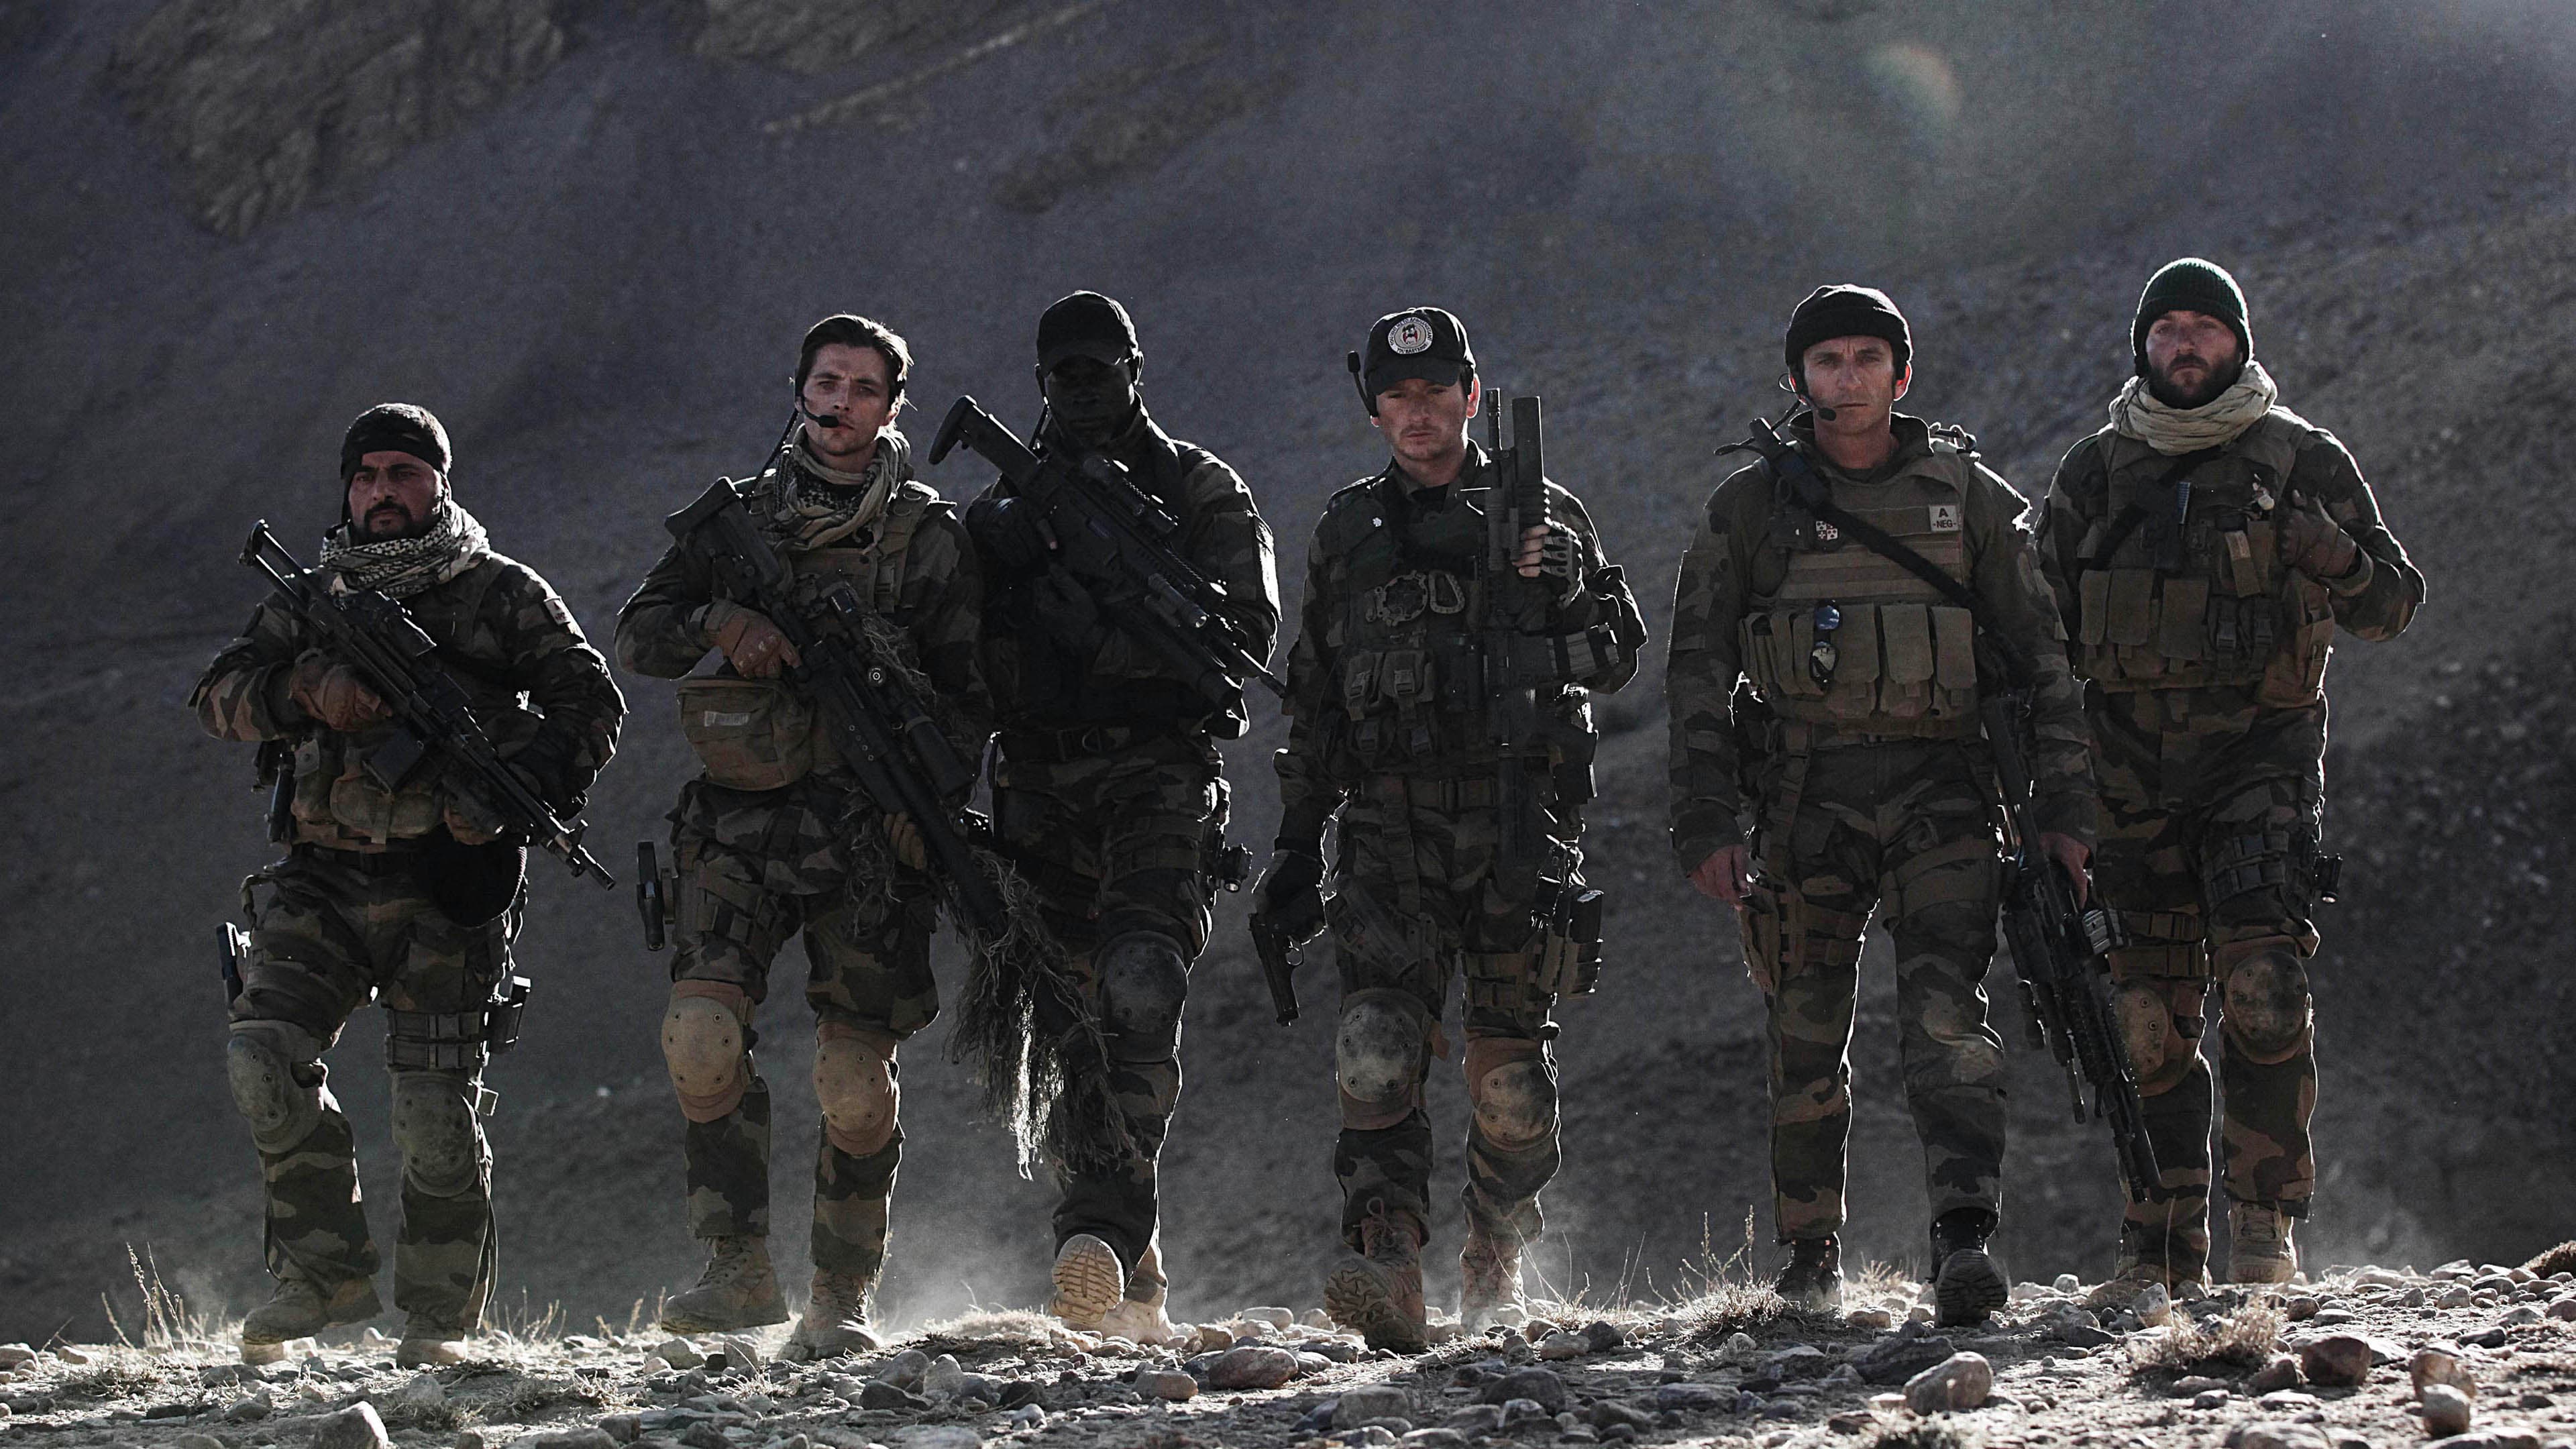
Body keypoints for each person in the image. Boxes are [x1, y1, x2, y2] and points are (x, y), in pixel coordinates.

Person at [1664, 285, 2094, 1324]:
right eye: (1827, 361)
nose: (1847, 378)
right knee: (1804, 1026)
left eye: (1867, 358)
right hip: (1805, 797)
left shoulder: (1970, 497)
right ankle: (1810, 1256)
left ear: (1903, 374)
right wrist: (1706, 820)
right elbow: (1698, 669)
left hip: (1943, 790)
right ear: (1797, 378)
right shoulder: (1749, 509)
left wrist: (2065, 809)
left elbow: (2046, 659)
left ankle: (1964, 1236)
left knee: (1947, 1013)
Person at [194, 403, 623, 1366]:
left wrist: (515, 790)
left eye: (403, 473)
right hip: (319, 882)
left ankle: (438, 1323)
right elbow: (217, 698)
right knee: (262, 1058)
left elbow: (591, 699)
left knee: (434, 1113)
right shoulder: (312, 599)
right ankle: (320, 1276)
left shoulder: (500, 592)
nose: (382, 492)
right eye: (366, 476)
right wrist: (305, 690)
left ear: (439, 482)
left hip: (444, 886)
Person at [1257, 307, 1646, 1350]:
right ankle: (1388, 1257)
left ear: (1470, 395)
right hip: (1390, 833)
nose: (1417, 414)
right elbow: (1317, 699)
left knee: (1513, 1084)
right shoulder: (1348, 530)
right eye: (1397, 398)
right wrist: (1294, 845)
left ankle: (1495, 1257)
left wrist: (1567, 591)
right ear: (1374, 410)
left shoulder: (1545, 514)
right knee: (1376, 1048)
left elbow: (1618, 653)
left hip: (1519, 828)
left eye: (1435, 393)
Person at [2036, 258, 2422, 1295]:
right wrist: (2047, 788)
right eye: (2167, 329)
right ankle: (2159, 1247)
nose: (2186, 344)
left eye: (2205, 327)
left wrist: (2336, 558)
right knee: (2144, 1022)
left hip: (2260, 765)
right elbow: (2034, 638)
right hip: (2127, 783)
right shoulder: (2095, 472)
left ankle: (2265, 1228)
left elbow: (2392, 605)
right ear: (2143, 346)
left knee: (2264, 990)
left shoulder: (2301, 458)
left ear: (2238, 343)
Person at [614, 315, 987, 1357]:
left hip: (866, 836)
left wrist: (925, 806)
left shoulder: (927, 538)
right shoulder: (739, 522)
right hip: (736, 827)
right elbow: (639, 632)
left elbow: (971, 697)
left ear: (892, 408)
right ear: (799, 390)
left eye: (865, 389)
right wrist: (718, 623)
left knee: (855, 1080)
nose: (840, 404)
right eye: (827, 382)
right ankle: (737, 1269)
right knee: (700, 1037)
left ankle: (841, 1292)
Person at [962, 291, 1280, 1344]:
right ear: (1040, 382)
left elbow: (1246, 636)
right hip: (1039, 787)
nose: (1085, 387)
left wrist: (1109, 636)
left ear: (1137, 369)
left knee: (1141, 986)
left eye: (1102, 368)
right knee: (1070, 1025)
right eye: (1066, 373)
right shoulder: (1003, 512)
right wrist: (1019, 594)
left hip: (1158, 775)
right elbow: (958, 657)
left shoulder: (1198, 489)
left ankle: (1094, 1233)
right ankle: (1132, 1273)